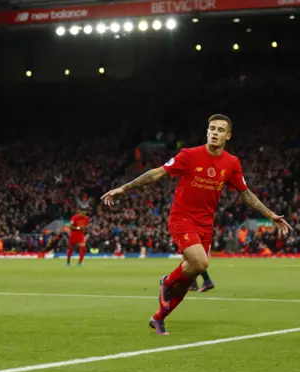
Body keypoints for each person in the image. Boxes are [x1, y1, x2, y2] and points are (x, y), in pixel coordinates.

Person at [101, 114, 292, 335]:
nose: (214, 132)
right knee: (201, 264)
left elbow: (245, 193)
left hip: (206, 225)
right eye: (212, 128)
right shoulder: (189, 155)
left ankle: (158, 317)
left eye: (220, 130)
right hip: (182, 218)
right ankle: (167, 280)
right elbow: (158, 173)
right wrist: (124, 189)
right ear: (207, 131)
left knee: (189, 277)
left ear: (228, 136)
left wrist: (270, 215)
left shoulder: (232, 163)